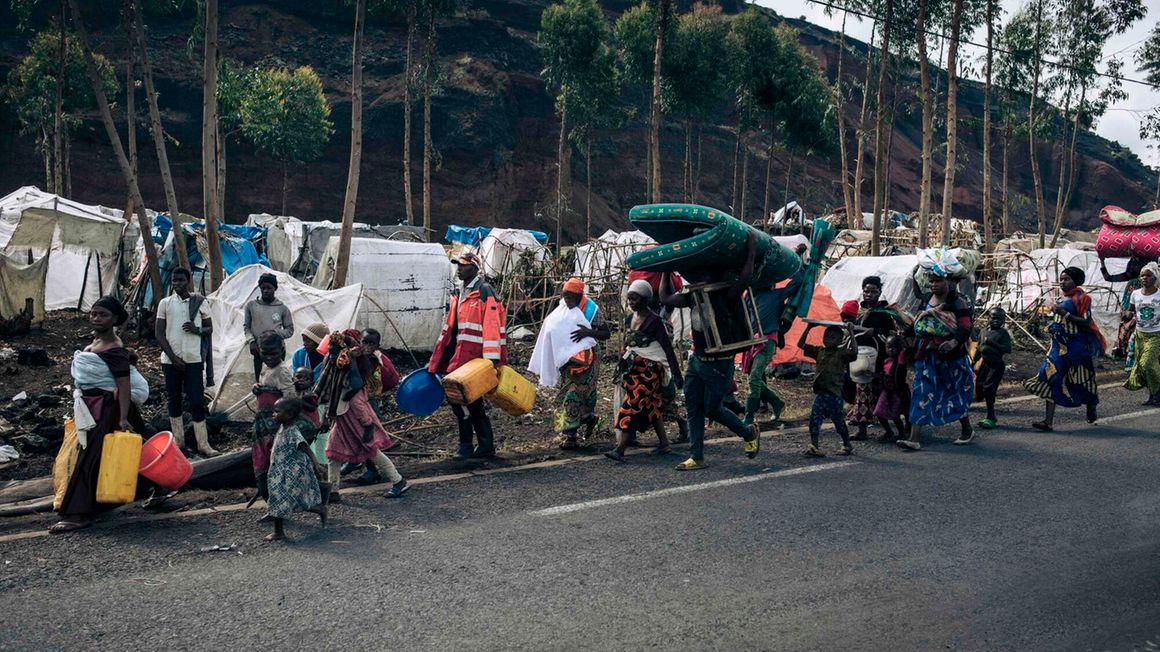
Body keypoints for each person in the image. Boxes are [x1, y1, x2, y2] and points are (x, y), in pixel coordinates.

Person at [660, 233, 762, 470]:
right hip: (698, 360)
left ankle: (748, 433)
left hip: (719, 362)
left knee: (712, 408)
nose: (699, 277)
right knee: (693, 407)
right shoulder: (693, 297)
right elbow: (665, 297)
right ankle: (697, 456)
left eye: (704, 274)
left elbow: (744, 279)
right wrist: (666, 269)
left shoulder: (725, 294)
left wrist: (751, 251)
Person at [51, 296, 147, 533]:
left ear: (114, 319)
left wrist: (123, 418)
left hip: (108, 409)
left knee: (90, 458)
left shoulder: (114, 348)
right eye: (94, 314)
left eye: (103, 314)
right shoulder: (93, 344)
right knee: (115, 456)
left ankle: (79, 514)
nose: (96, 318)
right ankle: (148, 489)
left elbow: (123, 385)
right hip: (90, 407)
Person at [428, 252, 507, 460]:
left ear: (475, 268)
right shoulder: (459, 292)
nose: (459, 269)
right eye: (458, 265)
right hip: (456, 355)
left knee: (472, 401)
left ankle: (482, 445)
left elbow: (492, 327)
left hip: (473, 358)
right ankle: (468, 445)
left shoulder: (484, 291)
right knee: (458, 400)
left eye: (463, 266)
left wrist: (491, 362)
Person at [319, 330, 409, 500]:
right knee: (332, 452)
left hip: (356, 421)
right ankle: (333, 491)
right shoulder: (340, 375)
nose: (330, 356)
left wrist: (367, 424)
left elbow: (357, 402)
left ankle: (398, 481)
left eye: (333, 353)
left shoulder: (349, 377)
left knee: (371, 451)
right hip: (344, 421)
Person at [604, 280, 682, 462]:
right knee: (652, 407)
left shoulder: (655, 321)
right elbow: (628, 344)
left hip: (649, 373)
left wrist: (677, 376)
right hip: (634, 371)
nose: (631, 302)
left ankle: (620, 449)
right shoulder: (631, 319)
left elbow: (667, 349)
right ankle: (664, 444)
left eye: (635, 298)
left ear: (646, 299)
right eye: (629, 299)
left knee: (631, 406)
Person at [898, 271, 976, 450]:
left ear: (948, 281)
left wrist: (953, 342)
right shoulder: (926, 299)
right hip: (926, 355)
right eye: (931, 281)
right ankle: (914, 438)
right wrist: (905, 334)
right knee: (921, 392)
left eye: (938, 281)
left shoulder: (958, 302)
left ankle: (967, 430)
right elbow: (920, 323)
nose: (933, 284)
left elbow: (965, 328)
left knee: (953, 391)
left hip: (950, 357)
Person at [1024, 266, 1105, 430]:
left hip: (1076, 348)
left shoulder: (1083, 298)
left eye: (1066, 279)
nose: (1062, 282)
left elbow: (1086, 322)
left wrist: (1064, 314)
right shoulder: (1060, 299)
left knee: (1081, 380)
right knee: (1050, 378)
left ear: (1076, 281)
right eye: (1061, 279)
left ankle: (1090, 404)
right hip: (1056, 348)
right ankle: (1048, 421)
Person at [154, 266, 218, 456]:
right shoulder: (165, 303)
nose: (177, 284)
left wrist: (196, 329)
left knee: (197, 401)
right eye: (174, 281)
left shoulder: (199, 302)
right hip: (170, 360)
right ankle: (178, 443)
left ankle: (203, 445)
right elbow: (159, 333)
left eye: (180, 280)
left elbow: (209, 329)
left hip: (193, 359)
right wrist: (173, 358)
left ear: (188, 281)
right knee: (174, 400)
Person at [849, 276, 911, 441]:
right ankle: (863, 429)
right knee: (862, 392)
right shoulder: (860, 311)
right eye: (866, 291)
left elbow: (891, 336)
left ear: (879, 293)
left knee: (881, 394)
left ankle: (897, 428)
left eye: (873, 291)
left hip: (880, 361)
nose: (869, 294)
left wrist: (875, 331)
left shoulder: (884, 314)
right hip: (862, 357)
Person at [556, 278, 611, 450]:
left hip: (588, 359)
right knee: (568, 392)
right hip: (568, 359)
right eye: (565, 296)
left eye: (571, 297)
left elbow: (606, 333)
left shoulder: (591, 310)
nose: (567, 300)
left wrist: (588, 332)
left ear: (580, 295)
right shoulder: (562, 307)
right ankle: (588, 417)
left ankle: (570, 437)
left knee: (575, 394)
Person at [264, 397, 326, 542]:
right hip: (278, 471)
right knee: (287, 500)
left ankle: (278, 532)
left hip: (289, 473)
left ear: (289, 415)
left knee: (281, 500)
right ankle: (319, 509)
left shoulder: (292, 431)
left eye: (277, 411)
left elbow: (305, 447)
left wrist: (316, 464)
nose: (273, 414)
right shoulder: (281, 428)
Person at [799, 323, 857, 457]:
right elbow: (801, 345)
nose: (828, 339)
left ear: (839, 341)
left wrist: (851, 332)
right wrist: (808, 328)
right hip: (821, 393)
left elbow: (854, 352)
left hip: (834, 395)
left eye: (832, 337)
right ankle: (814, 446)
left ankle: (847, 444)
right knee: (814, 419)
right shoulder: (819, 351)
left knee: (838, 421)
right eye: (826, 336)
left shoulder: (841, 353)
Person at [251, 333, 296, 502]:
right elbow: (264, 384)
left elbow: (290, 398)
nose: (269, 357)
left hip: (274, 427)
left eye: (274, 353)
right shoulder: (265, 366)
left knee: (273, 463)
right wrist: (257, 387)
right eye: (265, 353)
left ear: (282, 351)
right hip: (263, 426)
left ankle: (278, 502)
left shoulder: (282, 372)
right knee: (262, 461)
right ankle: (272, 501)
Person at [244, 272, 294, 382]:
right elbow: (246, 327)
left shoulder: (282, 308)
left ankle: (276, 397)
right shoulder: (251, 306)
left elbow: (290, 330)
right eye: (263, 288)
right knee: (260, 377)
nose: (266, 290)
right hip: (258, 348)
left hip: (276, 350)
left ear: (275, 289)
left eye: (269, 288)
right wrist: (251, 341)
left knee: (276, 376)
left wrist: (274, 333)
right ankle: (261, 396)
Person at [1125, 262, 1160, 405]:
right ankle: (1153, 395)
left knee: (1147, 363)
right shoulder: (1135, 294)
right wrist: (1126, 315)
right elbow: (1131, 311)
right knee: (1143, 367)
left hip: (1156, 334)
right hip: (1140, 334)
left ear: (1155, 277)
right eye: (1142, 276)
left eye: (1148, 275)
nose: (1144, 278)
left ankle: (1158, 392)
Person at [974, 308, 1013, 429]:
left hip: (996, 365)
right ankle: (986, 408)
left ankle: (991, 416)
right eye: (993, 318)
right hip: (985, 364)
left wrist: (993, 343)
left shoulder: (1003, 333)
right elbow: (979, 348)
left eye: (999, 319)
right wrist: (973, 362)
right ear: (988, 318)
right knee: (979, 387)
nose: (996, 321)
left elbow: (1008, 349)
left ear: (1003, 320)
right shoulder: (983, 331)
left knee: (989, 389)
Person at [1102, 257, 1145, 364]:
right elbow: (1108, 277)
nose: (1134, 267)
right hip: (1127, 313)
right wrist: (1102, 262)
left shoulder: (1147, 281)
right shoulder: (1130, 279)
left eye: (1137, 264)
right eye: (1132, 264)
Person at [873, 334, 910, 441]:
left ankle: (902, 433)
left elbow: (906, 349)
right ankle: (889, 432)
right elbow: (883, 375)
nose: (890, 349)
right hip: (886, 391)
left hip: (898, 392)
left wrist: (902, 338)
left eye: (893, 347)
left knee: (895, 415)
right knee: (879, 412)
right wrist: (873, 375)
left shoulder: (900, 359)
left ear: (899, 348)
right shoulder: (886, 361)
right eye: (888, 347)